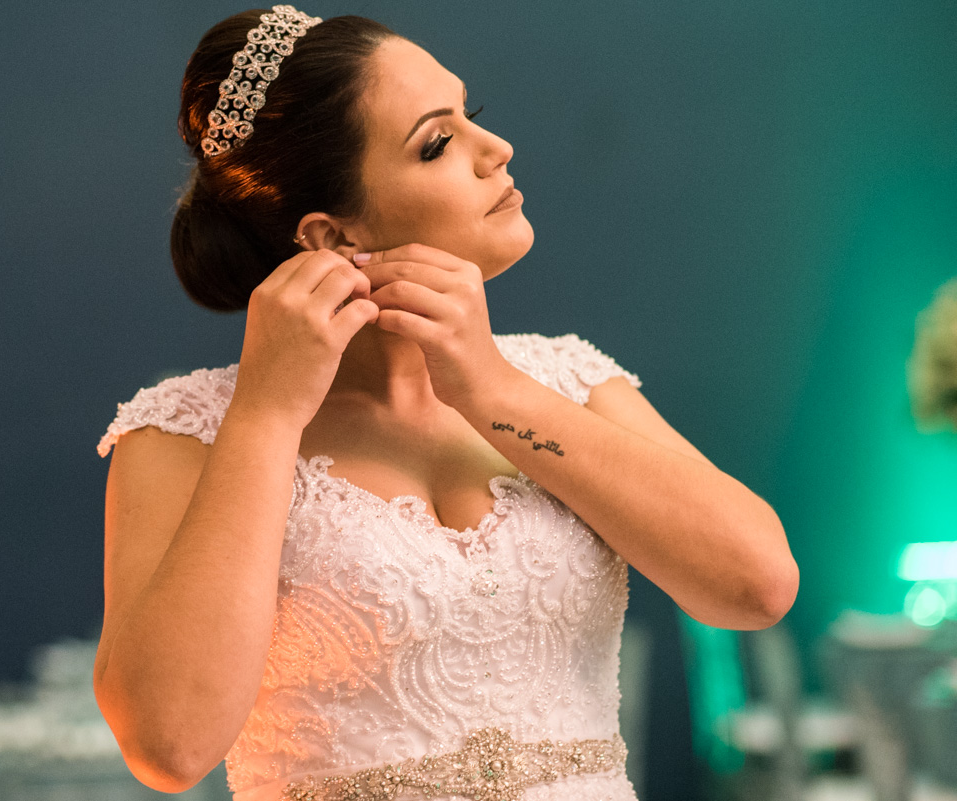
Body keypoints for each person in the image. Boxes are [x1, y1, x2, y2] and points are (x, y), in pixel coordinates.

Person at [92, 7, 799, 800]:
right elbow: (169, 744)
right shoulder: (185, 431)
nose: (496, 151)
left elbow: (759, 585)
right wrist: (264, 415)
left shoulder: (566, 380)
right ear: (329, 236)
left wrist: (491, 388)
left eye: (474, 117)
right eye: (438, 142)